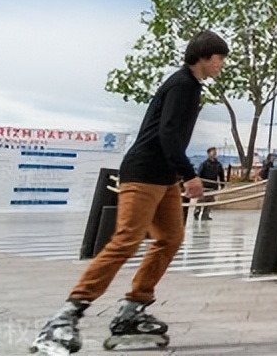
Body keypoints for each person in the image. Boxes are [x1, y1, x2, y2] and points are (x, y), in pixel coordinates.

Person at [31, 31, 229, 355]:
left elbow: (171, 136)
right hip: (144, 172)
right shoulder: (183, 84)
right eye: (219, 58)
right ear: (203, 57)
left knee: (170, 238)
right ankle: (66, 315)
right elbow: (167, 134)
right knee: (126, 240)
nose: (222, 65)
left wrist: (177, 174)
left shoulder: (191, 86)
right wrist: (189, 174)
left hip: (163, 177)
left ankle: (133, 307)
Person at [194, 147, 225, 221]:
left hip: (213, 186)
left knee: (210, 200)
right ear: (208, 154)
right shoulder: (204, 164)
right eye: (212, 152)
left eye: (215, 152)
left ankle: (206, 214)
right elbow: (199, 174)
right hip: (205, 185)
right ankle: (197, 212)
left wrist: (222, 184)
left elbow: (221, 175)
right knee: (202, 199)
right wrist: (198, 183)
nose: (214, 153)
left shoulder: (218, 165)